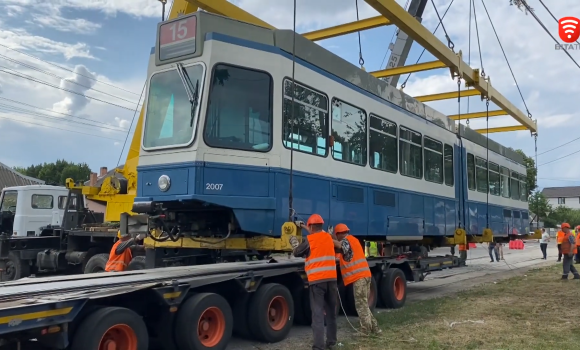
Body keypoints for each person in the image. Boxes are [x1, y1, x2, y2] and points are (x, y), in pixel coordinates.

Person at [289, 214, 343, 350]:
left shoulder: (309, 240)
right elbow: (337, 247)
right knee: (331, 313)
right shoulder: (328, 238)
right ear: (321, 225)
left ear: (311, 226)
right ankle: (331, 342)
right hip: (331, 280)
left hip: (317, 282)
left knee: (318, 314)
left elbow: (297, 253)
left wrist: (294, 242)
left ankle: (319, 346)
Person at [334, 223, 381, 335]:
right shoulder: (353, 240)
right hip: (365, 275)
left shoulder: (346, 241)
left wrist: (328, 239)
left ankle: (365, 331)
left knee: (360, 305)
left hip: (359, 277)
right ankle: (375, 329)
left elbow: (341, 246)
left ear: (339, 234)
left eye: (336, 235)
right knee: (364, 304)